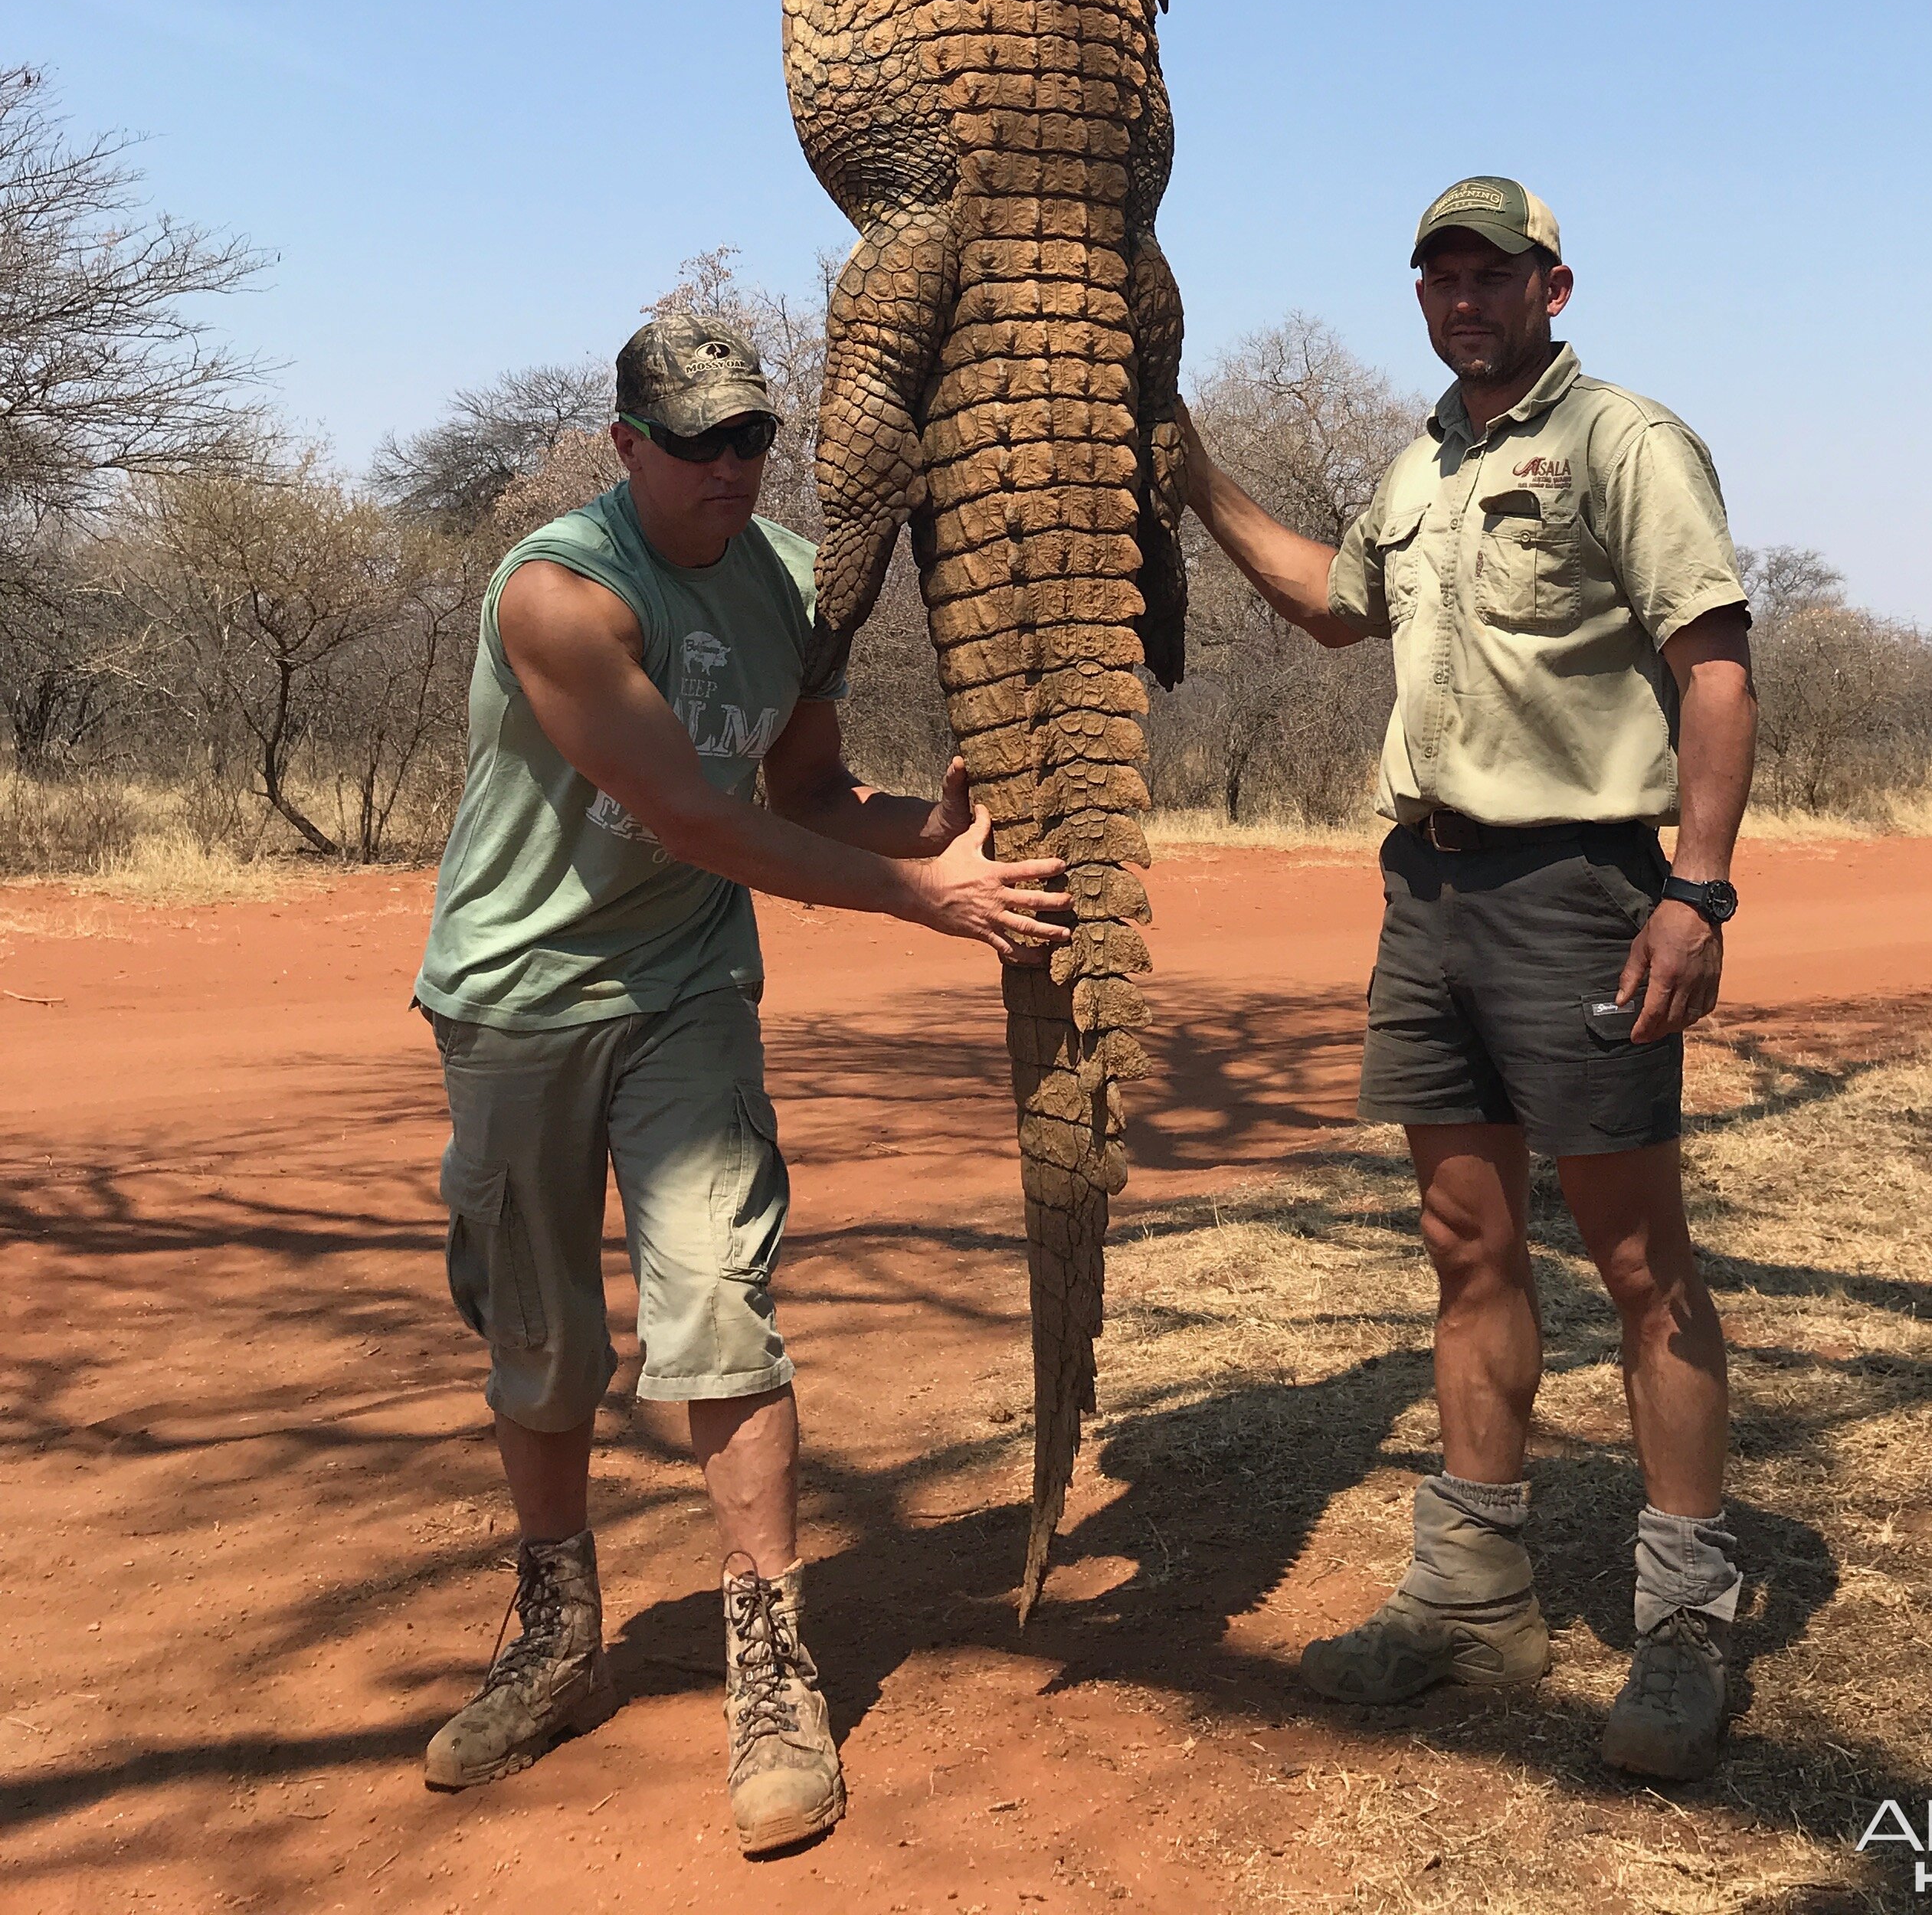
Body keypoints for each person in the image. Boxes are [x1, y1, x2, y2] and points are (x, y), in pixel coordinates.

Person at [411, 307, 1069, 1854]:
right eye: (697, 441)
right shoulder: (563, 595)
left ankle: (769, 1665)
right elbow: (696, 817)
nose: (731, 466)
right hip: (519, 995)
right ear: (627, 446)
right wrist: (932, 904)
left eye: (752, 438)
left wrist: (935, 832)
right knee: (541, 1335)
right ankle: (558, 1633)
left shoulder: (794, 590)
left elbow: (809, 796)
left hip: (685, 992)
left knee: (716, 1302)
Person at [1175, 176, 1758, 1780]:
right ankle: (1471, 1597)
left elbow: (1713, 660)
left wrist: (1695, 892)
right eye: (1439, 274)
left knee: (1642, 1266)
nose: (1464, 297)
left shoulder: (1626, 444)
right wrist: (1193, 468)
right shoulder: (1420, 464)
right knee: (1464, 1241)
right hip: (1425, 888)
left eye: (1492, 273)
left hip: (1584, 888)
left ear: (1552, 286)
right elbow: (1328, 605)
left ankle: (1688, 1620)